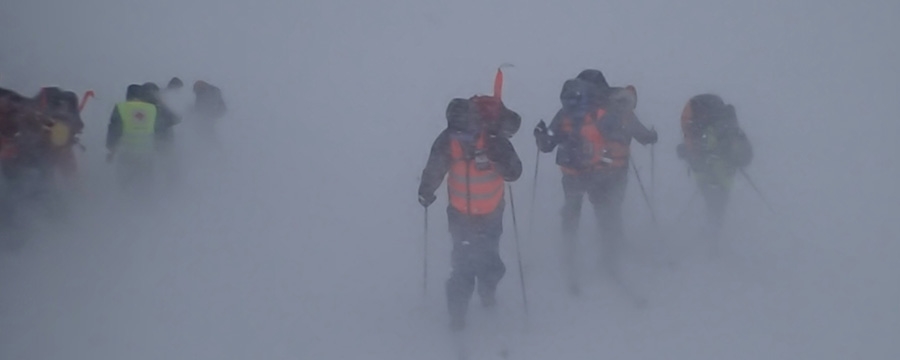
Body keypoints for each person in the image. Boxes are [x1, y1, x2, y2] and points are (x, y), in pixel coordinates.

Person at [532, 69, 657, 295]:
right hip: (603, 172)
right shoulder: (610, 110)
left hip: (573, 174)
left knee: (571, 213)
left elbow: (547, 145)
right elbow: (636, 134)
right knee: (607, 214)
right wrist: (649, 137)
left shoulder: (565, 113)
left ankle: (569, 257)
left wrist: (540, 135)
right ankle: (610, 257)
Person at [418, 97, 522, 331]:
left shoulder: (494, 140)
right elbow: (435, 167)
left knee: (489, 259)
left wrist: (499, 157)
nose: (463, 138)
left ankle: (488, 292)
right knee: (463, 265)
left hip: (491, 212)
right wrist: (426, 189)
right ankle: (458, 314)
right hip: (460, 215)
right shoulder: (447, 140)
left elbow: (515, 172)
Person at [676, 94, 753, 239]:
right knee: (716, 208)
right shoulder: (725, 127)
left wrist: (688, 152)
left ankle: (711, 238)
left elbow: (701, 149)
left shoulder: (709, 126)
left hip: (711, 175)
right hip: (721, 176)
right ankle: (712, 238)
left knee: (714, 207)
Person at [106, 84, 171, 193]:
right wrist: (163, 150)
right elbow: (160, 130)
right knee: (145, 183)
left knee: (125, 183)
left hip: (126, 152)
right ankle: (144, 205)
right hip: (146, 153)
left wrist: (111, 149)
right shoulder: (153, 108)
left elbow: (114, 129)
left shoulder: (120, 107)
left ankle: (126, 204)